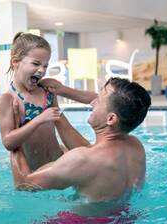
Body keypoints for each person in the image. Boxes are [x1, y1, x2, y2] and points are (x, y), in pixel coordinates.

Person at [10, 77, 152, 203]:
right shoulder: (135, 146)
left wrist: (15, 132)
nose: (92, 102)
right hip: (124, 223)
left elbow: (23, 184)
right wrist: (55, 108)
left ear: (111, 119)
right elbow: (92, 153)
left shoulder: (82, 160)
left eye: (99, 100)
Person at [0, 32, 96, 171]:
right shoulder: (8, 99)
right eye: (36, 63)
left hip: (59, 161)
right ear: (15, 62)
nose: (42, 70)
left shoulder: (47, 92)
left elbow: (64, 127)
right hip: (36, 171)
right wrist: (39, 119)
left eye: (45, 66)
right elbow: (8, 142)